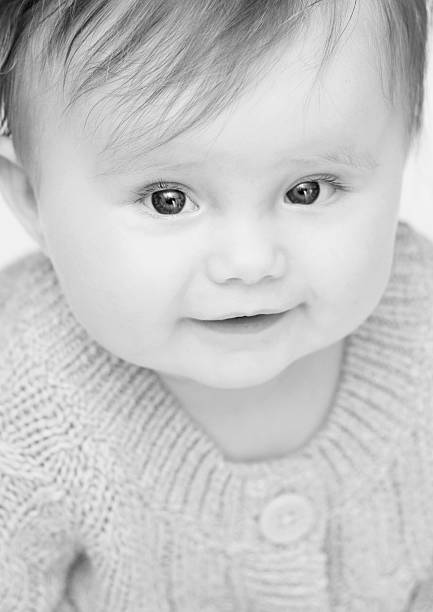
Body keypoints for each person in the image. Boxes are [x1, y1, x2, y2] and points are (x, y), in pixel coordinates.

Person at [0, 0, 432, 610]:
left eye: (306, 190)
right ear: (31, 197)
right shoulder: (23, 400)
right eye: (169, 199)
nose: (251, 262)